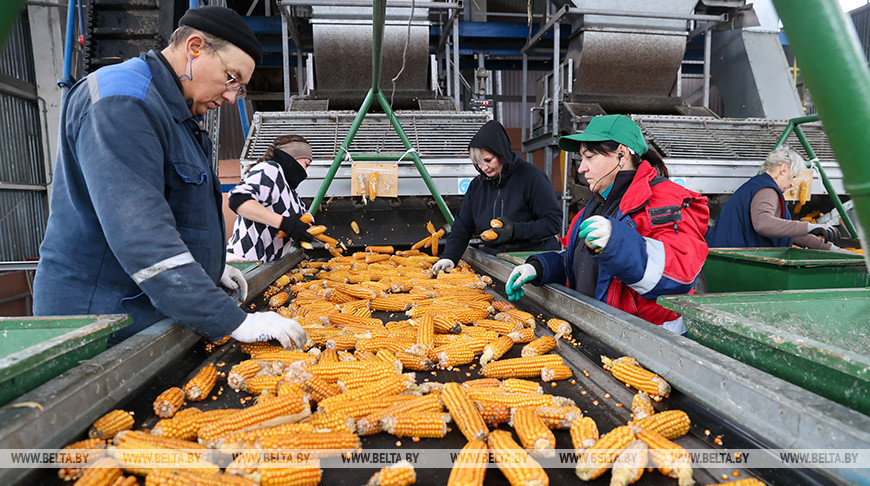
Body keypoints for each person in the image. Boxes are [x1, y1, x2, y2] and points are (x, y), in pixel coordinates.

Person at [33, 7, 305, 349]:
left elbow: (174, 207)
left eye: (240, 89)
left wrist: (208, 267)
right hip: (101, 321)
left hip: (140, 306)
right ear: (195, 48)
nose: (230, 96)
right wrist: (232, 320)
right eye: (231, 78)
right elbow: (142, 236)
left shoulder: (174, 111)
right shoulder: (124, 102)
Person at [505, 115, 710, 334]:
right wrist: (539, 267)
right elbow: (579, 264)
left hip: (650, 340)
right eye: (581, 158)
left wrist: (618, 243)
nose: (582, 168)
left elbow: (679, 274)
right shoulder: (595, 206)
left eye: (589, 157)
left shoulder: (665, 201)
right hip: (603, 332)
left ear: (621, 153)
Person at [433, 120, 561, 273]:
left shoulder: (532, 177)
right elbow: (462, 227)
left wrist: (514, 231)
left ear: (502, 153)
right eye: (478, 163)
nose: (483, 168)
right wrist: (449, 257)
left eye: (488, 160)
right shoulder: (477, 186)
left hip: (532, 261)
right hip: (496, 261)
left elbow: (553, 223)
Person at [706, 145, 844, 251]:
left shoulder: (756, 185)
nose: (791, 184)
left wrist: (833, 249)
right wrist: (809, 226)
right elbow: (764, 224)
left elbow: (788, 232)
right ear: (783, 169)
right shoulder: (766, 190)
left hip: (720, 257)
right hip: (729, 264)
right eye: (793, 177)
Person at [227, 134, 315, 262]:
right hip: (245, 263)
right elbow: (238, 200)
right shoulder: (270, 169)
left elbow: (302, 220)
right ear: (292, 157)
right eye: (306, 164)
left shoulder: (291, 192)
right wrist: (284, 223)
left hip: (270, 266)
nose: (305, 172)